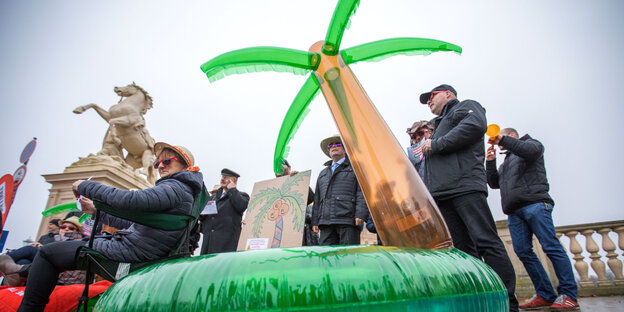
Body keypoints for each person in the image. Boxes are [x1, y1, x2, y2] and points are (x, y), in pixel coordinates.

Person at [16, 142, 204, 311]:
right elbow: (135, 222)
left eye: (167, 161)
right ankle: (19, 271)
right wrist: (96, 211)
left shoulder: (174, 187)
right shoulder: (183, 190)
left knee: (47, 254)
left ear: (185, 165)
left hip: (131, 253)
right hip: (139, 250)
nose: (160, 166)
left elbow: (130, 200)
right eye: (157, 163)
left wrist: (86, 186)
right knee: (51, 254)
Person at [419, 84, 518, 311]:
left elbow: (476, 125)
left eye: (432, 96)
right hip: (443, 194)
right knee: (462, 251)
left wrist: (436, 144)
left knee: (486, 242)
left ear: (449, 94)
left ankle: (507, 303)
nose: (429, 102)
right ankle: (475, 301)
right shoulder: (438, 124)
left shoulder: (466, 107)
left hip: (464, 187)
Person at [487, 128, 579, 310]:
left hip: (535, 204)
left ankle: (569, 294)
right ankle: (545, 294)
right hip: (514, 211)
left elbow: (531, 151)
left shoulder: (531, 144)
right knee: (522, 251)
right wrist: (490, 162)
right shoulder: (506, 162)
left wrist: (502, 139)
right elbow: (494, 183)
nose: (499, 142)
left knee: (550, 247)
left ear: (512, 136)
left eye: (503, 137)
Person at [311, 135, 369, 245]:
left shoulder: (356, 168)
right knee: (326, 258)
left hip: (348, 221)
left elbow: (362, 192)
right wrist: (315, 221)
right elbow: (317, 199)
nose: (334, 147)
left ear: (345, 149)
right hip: (326, 223)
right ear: (328, 151)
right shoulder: (323, 174)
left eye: (338, 144)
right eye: (330, 145)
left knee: (347, 257)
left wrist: (361, 214)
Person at [0, 217, 85, 287]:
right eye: (63, 227)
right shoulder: (56, 238)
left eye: (71, 228)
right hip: (54, 269)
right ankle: (7, 291)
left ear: (77, 231)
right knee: (23, 263)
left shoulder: (76, 240)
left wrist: (42, 248)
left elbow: (57, 255)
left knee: (30, 250)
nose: (66, 229)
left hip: (63, 275)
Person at [200, 168, 250, 255]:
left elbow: (241, 206)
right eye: (222, 177)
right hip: (209, 245)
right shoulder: (213, 197)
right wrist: (202, 216)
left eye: (226, 177)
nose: (222, 179)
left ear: (234, 180)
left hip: (226, 245)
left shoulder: (242, 196)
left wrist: (232, 190)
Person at [277, 159, 317, 246]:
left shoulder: (296, 181)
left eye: (282, 165)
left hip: (300, 234)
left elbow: (311, 198)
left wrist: (298, 181)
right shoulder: (271, 190)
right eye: (276, 166)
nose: (279, 168)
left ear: (289, 168)